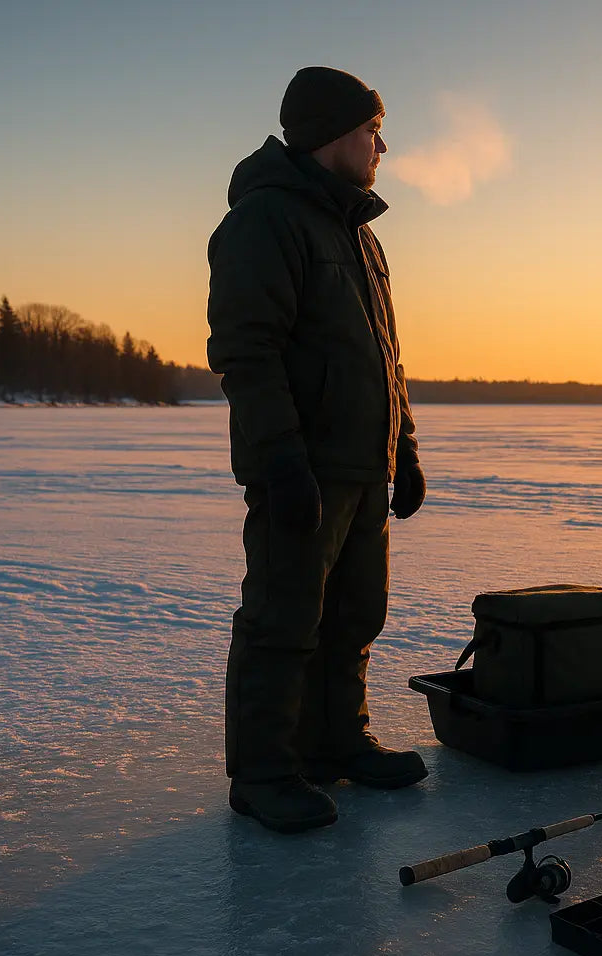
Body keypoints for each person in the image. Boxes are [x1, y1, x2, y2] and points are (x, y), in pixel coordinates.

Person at [206, 66, 428, 834]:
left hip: (365, 465)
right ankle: (264, 772)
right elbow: (247, 352)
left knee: (355, 615)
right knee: (283, 618)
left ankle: (340, 741)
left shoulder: (361, 237)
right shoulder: (265, 222)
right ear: (335, 134)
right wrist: (281, 460)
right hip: (304, 468)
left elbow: (386, 357)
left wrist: (407, 446)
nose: (383, 143)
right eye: (373, 129)